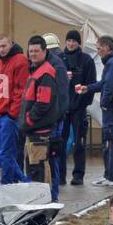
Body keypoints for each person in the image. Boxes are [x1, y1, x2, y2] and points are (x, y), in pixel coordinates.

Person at [19, 35, 65, 199]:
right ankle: (41, 198)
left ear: (45, 51)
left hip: (40, 131)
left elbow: (43, 103)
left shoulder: (45, 73)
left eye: (36, 51)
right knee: (34, 166)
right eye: (30, 51)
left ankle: (43, 200)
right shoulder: (37, 70)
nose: (33, 54)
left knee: (39, 168)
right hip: (35, 130)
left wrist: (28, 120)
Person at [80, 34, 113, 186]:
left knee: (110, 141)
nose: (98, 50)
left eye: (99, 47)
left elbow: (109, 87)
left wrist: (104, 103)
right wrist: (88, 88)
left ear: (107, 47)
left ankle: (110, 177)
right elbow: (103, 83)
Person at [0, 34, 29, 185]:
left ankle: (8, 184)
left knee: (6, 153)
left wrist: (12, 114)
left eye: (4, 46)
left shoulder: (20, 60)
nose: (1, 49)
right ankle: (21, 181)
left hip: (8, 115)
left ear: (11, 44)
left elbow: (21, 90)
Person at [61, 29, 97, 187]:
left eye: (74, 41)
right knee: (60, 143)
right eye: (69, 40)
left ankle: (78, 175)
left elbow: (91, 84)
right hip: (62, 109)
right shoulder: (59, 59)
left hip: (79, 108)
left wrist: (84, 102)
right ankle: (60, 175)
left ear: (79, 43)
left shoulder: (86, 60)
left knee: (79, 143)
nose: (71, 43)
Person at [42, 34, 71, 189]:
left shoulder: (56, 65)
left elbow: (60, 93)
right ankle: (58, 180)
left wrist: (57, 115)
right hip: (55, 115)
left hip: (54, 117)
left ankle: (56, 182)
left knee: (54, 151)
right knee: (57, 150)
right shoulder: (59, 62)